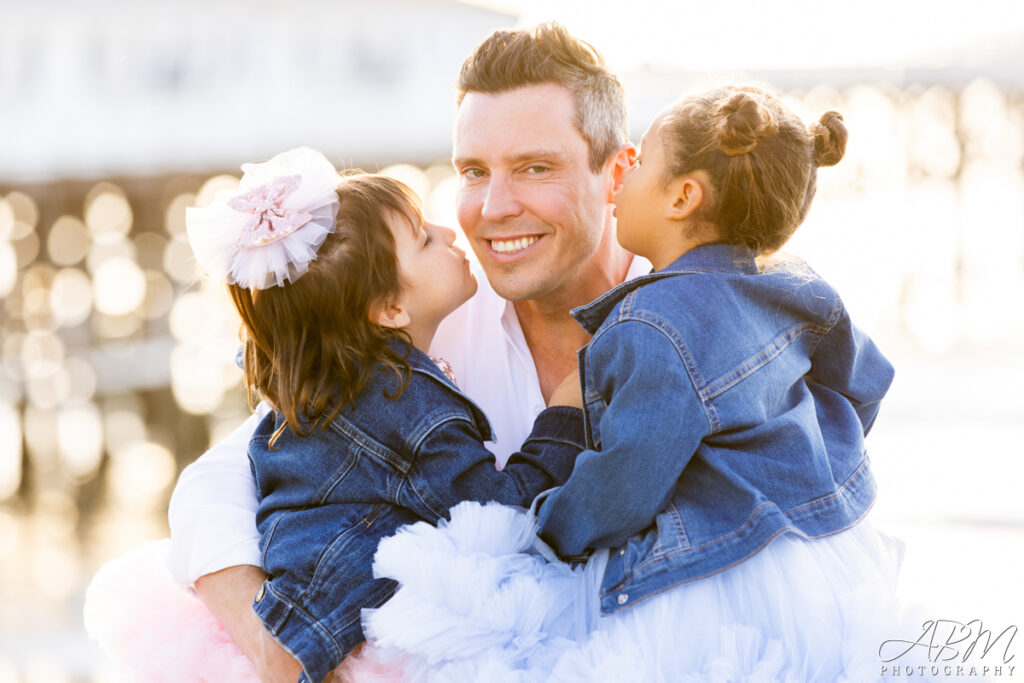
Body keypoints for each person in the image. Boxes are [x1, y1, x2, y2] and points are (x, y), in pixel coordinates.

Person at [360, 85, 914, 680]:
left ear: (682, 196)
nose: (619, 186)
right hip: (826, 557)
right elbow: (866, 383)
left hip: (710, 579)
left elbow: (627, 479)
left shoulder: (649, 325)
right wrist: (803, 456)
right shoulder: (796, 286)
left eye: (641, 162)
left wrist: (549, 527)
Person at [162, 22, 644, 680]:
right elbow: (215, 484)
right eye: (473, 172)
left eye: (535, 167)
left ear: (618, 172)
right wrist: (283, 650)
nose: (490, 210)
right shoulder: (420, 319)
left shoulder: (695, 312)